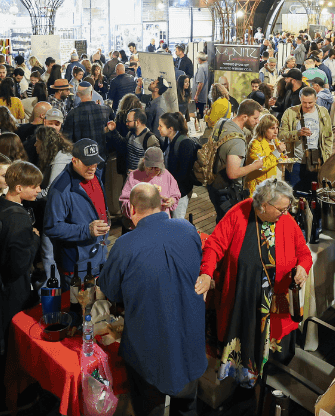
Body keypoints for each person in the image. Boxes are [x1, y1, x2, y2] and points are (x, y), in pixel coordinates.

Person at [100, 182, 206, 416]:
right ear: (161, 206)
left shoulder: (125, 245)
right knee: (187, 408)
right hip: (189, 340)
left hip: (148, 350)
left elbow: (111, 291)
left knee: (150, 410)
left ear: (131, 210)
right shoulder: (188, 229)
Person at [196, 178, 311, 387]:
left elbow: (304, 253)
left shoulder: (285, 220)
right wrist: (206, 272)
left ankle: (269, 382)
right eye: (281, 209)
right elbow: (214, 244)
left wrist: (303, 267)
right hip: (242, 301)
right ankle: (244, 387)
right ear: (264, 205)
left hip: (277, 301)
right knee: (243, 349)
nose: (286, 213)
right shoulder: (239, 212)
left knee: (274, 367)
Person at [0, 161, 42, 412]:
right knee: (11, 347)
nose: (38, 191)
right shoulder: (20, 219)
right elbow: (18, 267)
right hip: (11, 292)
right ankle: (13, 399)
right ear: (19, 187)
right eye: (34, 186)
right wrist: (34, 240)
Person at [45, 139, 111, 278]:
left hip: (99, 257)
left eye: (95, 162)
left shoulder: (96, 176)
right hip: (76, 267)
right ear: (74, 160)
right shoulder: (60, 189)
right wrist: (86, 230)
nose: (93, 167)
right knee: (75, 300)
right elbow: (52, 227)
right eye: (87, 163)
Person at [206, 100, 265, 223]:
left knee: (221, 222)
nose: (257, 121)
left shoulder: (222, 123)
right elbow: (233, 173)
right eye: (255, 118)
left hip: (213, 183)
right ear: (244, 117)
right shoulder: (237, 142)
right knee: (230, 228)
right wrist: (256, 165)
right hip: (227, 191)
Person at [278, 87, 333, 192]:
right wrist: (297, 133)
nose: (307, 106)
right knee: (294, 194)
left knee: (315, 193)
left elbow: (328, 137)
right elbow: (281, 135)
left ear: (316, 99)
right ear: (300, 99)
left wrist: (327, 156)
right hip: (296, 162)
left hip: (317, 161)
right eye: (304, 103)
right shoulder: (290, 113)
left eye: (310, 102)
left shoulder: (323, 112)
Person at [119, 146, 181, 221]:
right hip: (141, 224)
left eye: (157, 168)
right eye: (150, 168)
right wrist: (142, 205)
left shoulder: (166, 175)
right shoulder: (134, 176)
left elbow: (175, 195)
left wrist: (171, 201)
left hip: (162, 223)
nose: (153, 171)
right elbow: (124, 203)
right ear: (144, 162)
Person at [63, 85, 114, 151]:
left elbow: (67, 139)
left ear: (78, 94)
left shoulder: (72, 114)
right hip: (101, 154)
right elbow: (112, 131)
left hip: (81, 155)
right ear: (91, 93)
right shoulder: (105, 110)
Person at [244, 113, 282, 194]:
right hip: (259, 188)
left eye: (277, 128)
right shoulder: (255, 143)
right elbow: (261, 166)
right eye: (272, 128)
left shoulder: (275, 141)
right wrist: (277, 152)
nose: (276, 131)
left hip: (274, 186)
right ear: (264, 129)